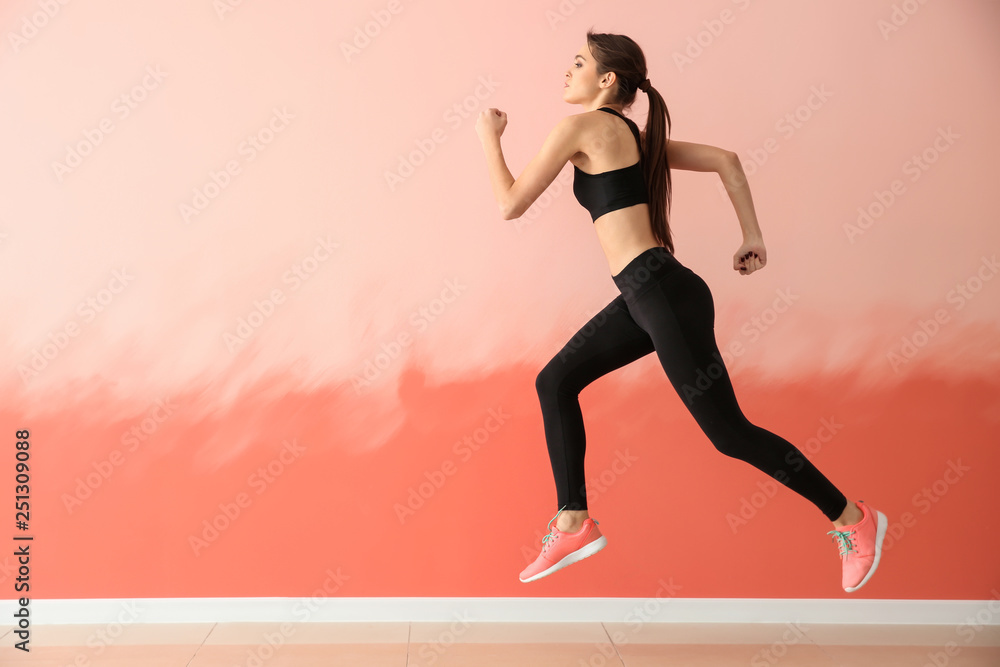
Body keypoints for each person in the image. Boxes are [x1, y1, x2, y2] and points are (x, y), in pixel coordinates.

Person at [475, 31, 887, 592]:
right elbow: (727, 160)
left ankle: (853, 520)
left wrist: (489, 139)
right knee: (556, 381)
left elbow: (508, 205)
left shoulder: (582, 127)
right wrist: (753, 236)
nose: (566, 72)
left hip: (660, 291)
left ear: (608, 81)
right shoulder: (636, 138)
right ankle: (573, 519)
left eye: (578, 63)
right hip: (648, 294)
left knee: (730, 434)